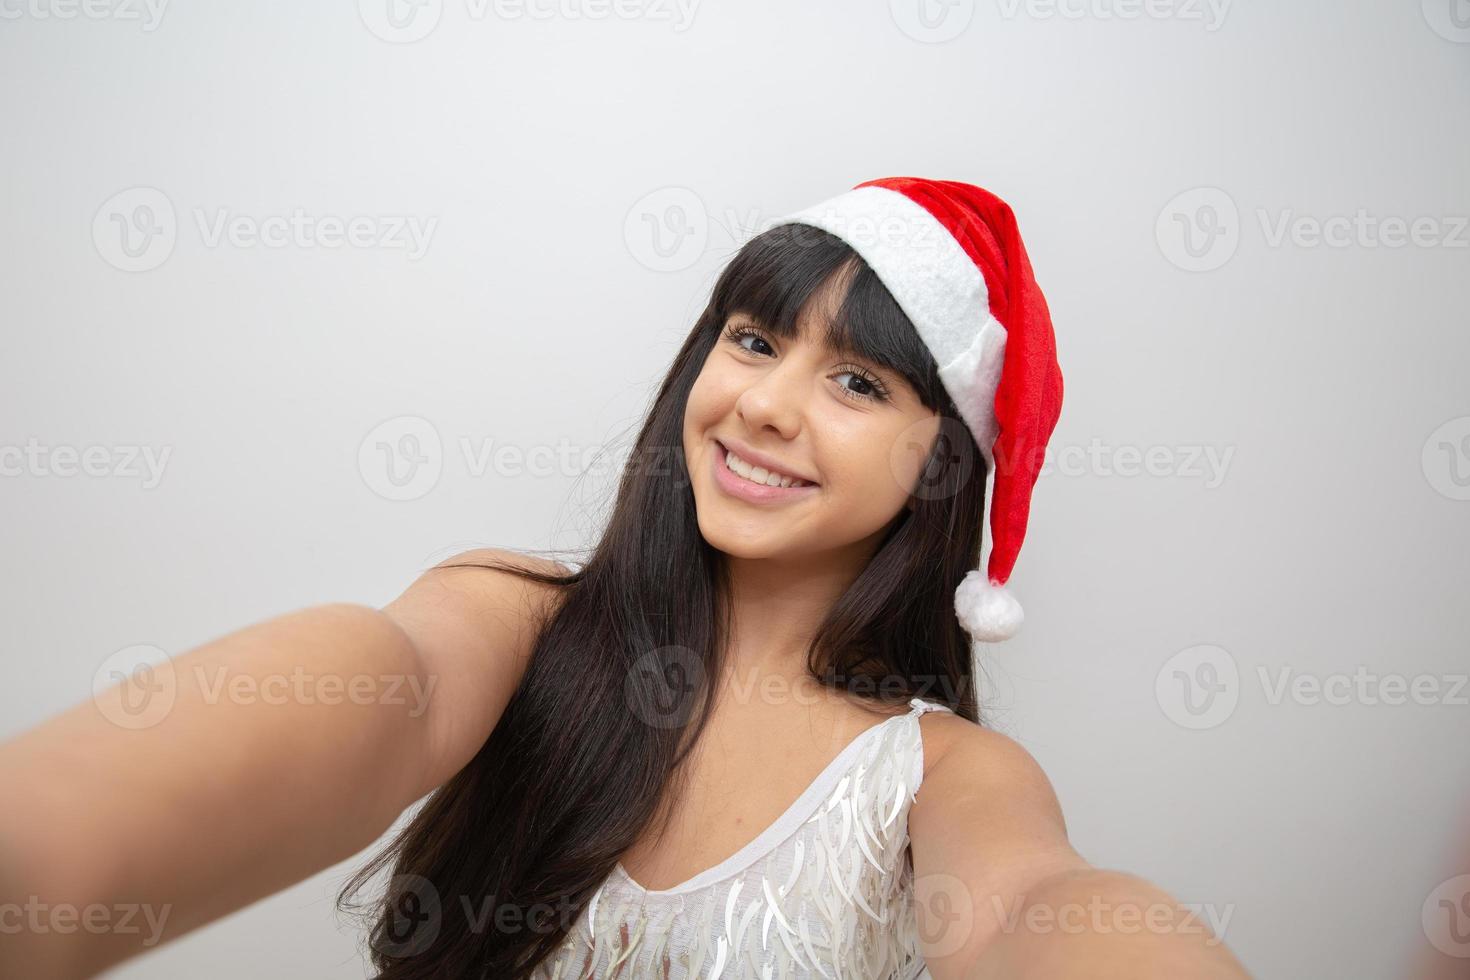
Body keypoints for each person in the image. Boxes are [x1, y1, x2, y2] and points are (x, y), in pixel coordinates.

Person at [0, 177, 1253, 979]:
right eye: (755, 339)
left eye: (857, 381)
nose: (763, 403)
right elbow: (381, 685)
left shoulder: (945, 776)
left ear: (944, 462)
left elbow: (1042, 908)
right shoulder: (516, 619)